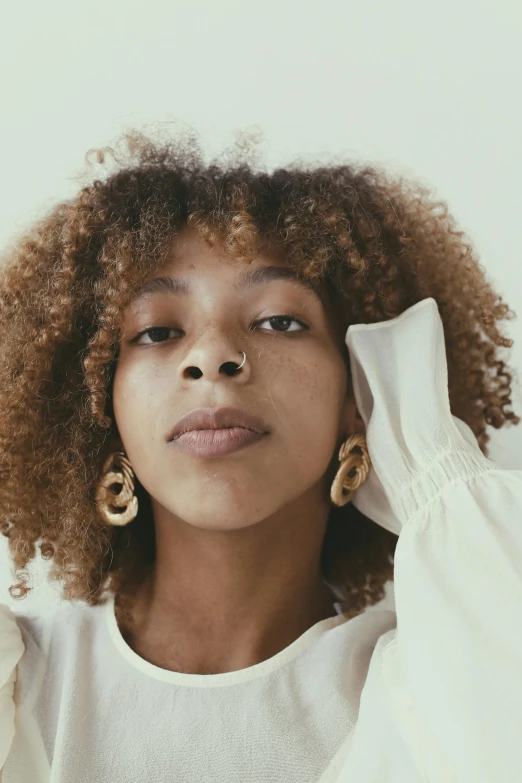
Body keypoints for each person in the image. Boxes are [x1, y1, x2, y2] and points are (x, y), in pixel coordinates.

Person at [0, 127, 521, 782]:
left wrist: (437, 476)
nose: (214, 354)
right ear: (101, 411)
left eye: (279, 320)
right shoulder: (18, 689)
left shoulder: (446, 683)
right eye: (158, 330)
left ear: (355, 393)